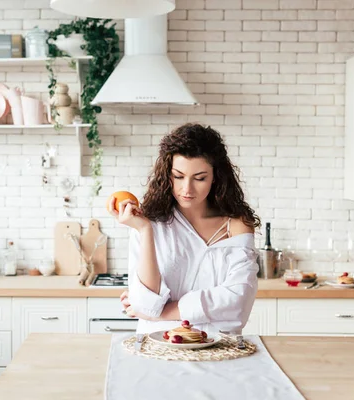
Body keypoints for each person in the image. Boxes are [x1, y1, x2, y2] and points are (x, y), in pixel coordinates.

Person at [107, 123, 261, 335]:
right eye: (178, 176)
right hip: (157, 348)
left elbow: (237, 302)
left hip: (219, 350)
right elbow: (144, 304)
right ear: (166, 174)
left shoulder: (236, 225)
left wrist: (161, 312)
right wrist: (145, 231)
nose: (186, 189)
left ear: (215, 176)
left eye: (200, 178)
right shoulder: (147, 223)